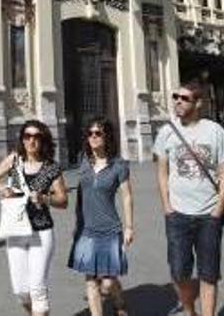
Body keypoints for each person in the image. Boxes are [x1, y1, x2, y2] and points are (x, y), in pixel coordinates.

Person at [152, 81, 224, 316]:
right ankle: (190, 311)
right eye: (176, 96)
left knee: (209, 273)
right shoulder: (167, 131)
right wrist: (167, 206)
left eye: (184, 98)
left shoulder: (214, 131)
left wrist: (219, 208)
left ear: (198, 103)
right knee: (179, 273)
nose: (178, 101)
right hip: (177, 214)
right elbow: (162, 172)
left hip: (209, 214)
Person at [0, 120, 68, 316]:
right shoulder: (14, 160)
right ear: (22, 139)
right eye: (27, 136)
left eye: (36, 136)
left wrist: (45, 198)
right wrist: (3, 188)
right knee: (21, 290)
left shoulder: (51, 167)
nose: (32, 140)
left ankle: (40, 311)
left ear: (43, 140)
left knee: (37, 288)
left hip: (41, 232)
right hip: (16, 230)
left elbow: (63, 201)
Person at [68, 117, 133, 316]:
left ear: (107, 137)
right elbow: (80, 196)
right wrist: (77, 224)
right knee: (91, 282)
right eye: (90, 133)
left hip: (110, 229)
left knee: (106, 282)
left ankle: (118, 298)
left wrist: (129, 227)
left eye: (98, 133)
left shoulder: (118, 165)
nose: (93, 137)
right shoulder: (84, 161)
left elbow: (127, 196)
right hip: (87, 230)